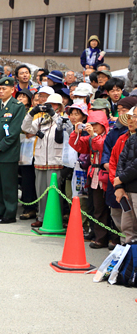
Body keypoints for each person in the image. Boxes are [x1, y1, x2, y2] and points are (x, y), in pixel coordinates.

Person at [0, 77, 27, 224]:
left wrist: (0, 146)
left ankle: (9, 213)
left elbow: (14, 131)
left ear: (12, 90)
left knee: (8, 185)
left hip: (8, 152)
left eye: (4, 89)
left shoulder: (17, 106)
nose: (1, 91)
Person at [22, 93, 64, 228]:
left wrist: (54, 114)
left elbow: (64, 128)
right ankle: (41, 216)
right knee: (41, 191)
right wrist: (31, 114)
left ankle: (56, 217)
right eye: (49, 105)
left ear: (59, 106)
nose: (51, 107)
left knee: (55, 192)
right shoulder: (41, 120)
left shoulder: (63, 118)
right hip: (40, 160)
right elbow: (26, 128)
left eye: (54, 105)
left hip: (55, 160)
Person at [70, 110, 111, 248]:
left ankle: (103, 238)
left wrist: (92, 135)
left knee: (101, 208)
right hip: (92, 174)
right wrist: (76, 132)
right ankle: (96, 233)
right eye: (91, 124)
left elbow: (102, 147)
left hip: (104, 175)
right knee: (93, 207)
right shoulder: (91, 137)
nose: (93, 127)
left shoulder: (108, 136)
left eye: (96, 124)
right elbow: (77, 146)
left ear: (103, 125)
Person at [113, 106, 137, 243]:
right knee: (128, 228)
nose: (133, 120)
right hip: (128, 190)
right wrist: (119, 186)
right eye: (133, 116)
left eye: (135, 116)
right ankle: (131, 260)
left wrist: (121, 178)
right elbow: (120, 161)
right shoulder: (131, 138)